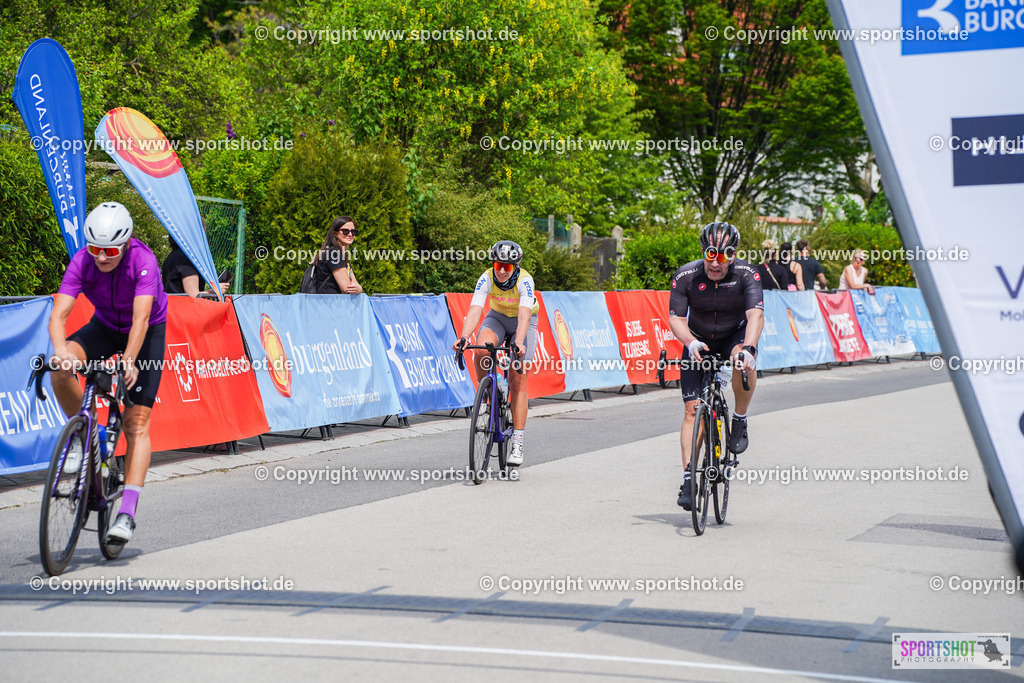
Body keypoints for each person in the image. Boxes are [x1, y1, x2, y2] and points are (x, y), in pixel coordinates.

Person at [48, 202, 168, 546]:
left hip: (146, 332)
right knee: (58, 368)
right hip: (103, 326)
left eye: (111, 251)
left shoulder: (143, 261)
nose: (101, 257)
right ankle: (88, 436)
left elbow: (141, 319)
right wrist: (61, 351)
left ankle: (126, 514)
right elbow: (59, 315)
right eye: (95, 249)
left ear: (126, 243)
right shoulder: (82, 261)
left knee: (136, 424)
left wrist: (129, 359)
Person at [668, 222, 764, 511]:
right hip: (698, 341)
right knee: (691, 410)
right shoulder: (686, 276)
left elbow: (755, 315)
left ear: (733, 255)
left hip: (733, 337)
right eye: (710, 254)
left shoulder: (747, 274)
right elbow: (676, 319)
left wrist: (749, 349)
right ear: (703, 251)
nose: (715, 263)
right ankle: (688, 479)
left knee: (743, 363)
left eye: (723, 256)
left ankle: (739, 418)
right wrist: (690, 342)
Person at [452, 240, 538, 466]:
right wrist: (464, 337)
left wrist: (518, 343)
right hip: (497, 318)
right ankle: (487, 392)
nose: (501, 270)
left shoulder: (525, 280)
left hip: (523, 323)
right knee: (481, 350)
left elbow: (524, 315)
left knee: (518, 380)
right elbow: (475, 309)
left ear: (516, 266)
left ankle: (517, 442)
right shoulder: (487, 277)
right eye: (498, 265)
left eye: (506, 267)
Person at [301, 215, 363, 294]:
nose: (350, 234)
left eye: (353, 232)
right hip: (330, 301)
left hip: (329, 300)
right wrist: (359, 289)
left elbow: (354, 284)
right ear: (335, 233)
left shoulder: (341, 255)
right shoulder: (334, 254)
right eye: (345, 231)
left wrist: (359, 289)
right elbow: (347, 288)